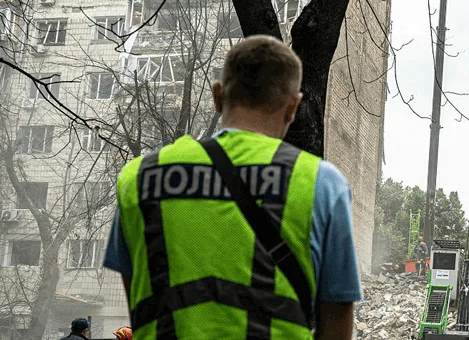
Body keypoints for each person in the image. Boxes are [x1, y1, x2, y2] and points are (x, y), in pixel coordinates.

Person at [104, 36, 362, 340]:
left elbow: (142, 304)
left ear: (217, 96)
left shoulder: (139, 178)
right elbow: (336, 324)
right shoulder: (322, 184)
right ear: (293, 107)